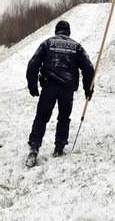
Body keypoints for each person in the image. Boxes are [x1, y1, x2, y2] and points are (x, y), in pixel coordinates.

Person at [25, 20, 95, 167]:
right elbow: (88, 68)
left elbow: (33, 64)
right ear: (68, 32)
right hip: (67, 89)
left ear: (56, 31)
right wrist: (88, 89)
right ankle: (59, 147)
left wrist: (32, 85)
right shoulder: (76, 47)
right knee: (64, 118)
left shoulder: (47, 43)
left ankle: (34, 148)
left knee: (41, 117)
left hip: (49, 87)